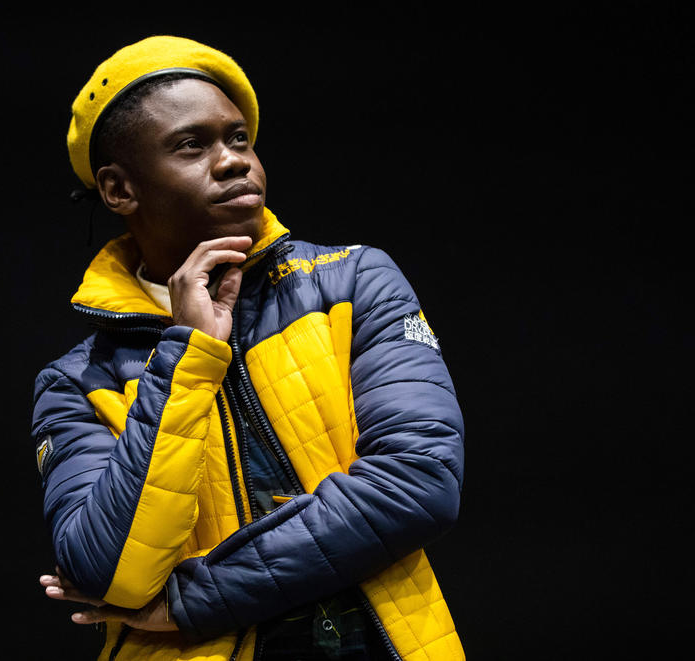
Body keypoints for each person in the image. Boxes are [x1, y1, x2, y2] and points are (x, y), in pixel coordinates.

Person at [32, 36, 465, 660]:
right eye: (191, 145)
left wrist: (195, 599)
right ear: (119, 190)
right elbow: (111, 574)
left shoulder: (352, 281)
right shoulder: (74, 382)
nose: (234, 161)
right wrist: (187, 355)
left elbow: (417, 482)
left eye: (239, 139)